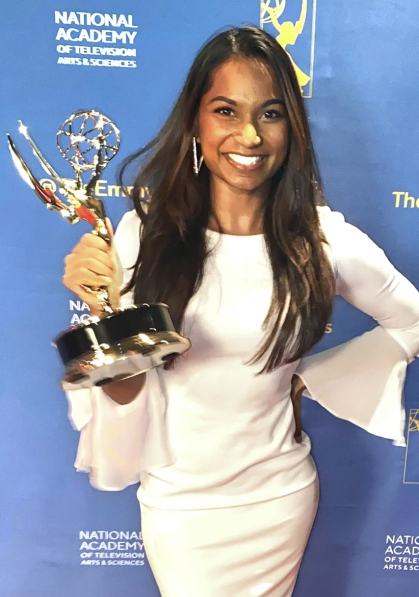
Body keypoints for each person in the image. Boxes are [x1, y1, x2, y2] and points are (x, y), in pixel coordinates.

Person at [62, 25, 419, 597]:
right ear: (197, 122)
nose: (248, 134)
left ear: (291, 128)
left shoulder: (323, 241)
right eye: (226, 110)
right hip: (178, 506)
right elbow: (125, 397)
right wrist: (101, 317)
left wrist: (311, 379)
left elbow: (412, 319)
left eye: (271, 113)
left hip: (277, 498)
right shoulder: (142, 235)